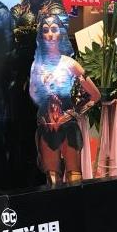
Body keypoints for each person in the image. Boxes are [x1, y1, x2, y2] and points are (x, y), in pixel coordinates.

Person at [8, 0, 66, 186]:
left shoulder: (56, 10)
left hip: (48, 78)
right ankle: (23, 179)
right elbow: (11, 42)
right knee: (20, 130)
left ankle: (48, 180)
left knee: (48, 132)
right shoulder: (18, 10)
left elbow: (58, 45)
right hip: (21, 75)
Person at [29, 15, 100, 186]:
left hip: (68, 127)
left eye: (54, 29)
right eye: (45, 30)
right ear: (41, 35)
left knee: (74, 176)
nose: (50, 34)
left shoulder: (71, 64)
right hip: (46, 126)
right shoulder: (36, 66)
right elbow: (33, 95)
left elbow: (95, 95)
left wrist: (74, 113)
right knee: (52, 178)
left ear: (60, 32)